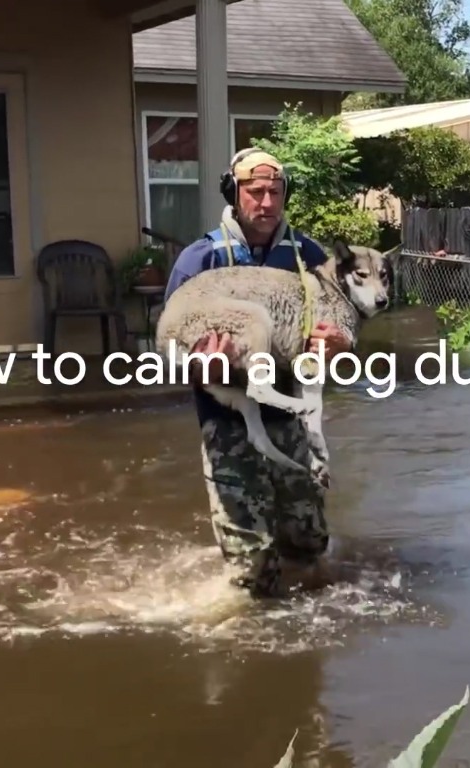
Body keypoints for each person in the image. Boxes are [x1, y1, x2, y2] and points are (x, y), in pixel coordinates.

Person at [163, 147, 352, 599]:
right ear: (234, 193)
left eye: (275, 191)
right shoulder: (199, 261)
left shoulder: (309, 257)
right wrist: (200, 364)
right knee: (253, 573)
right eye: (255, 192)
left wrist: (340, 346)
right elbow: (167, 354)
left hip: (291, 426)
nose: (266, 202)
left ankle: (303, 657)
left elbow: (337, 352)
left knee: (309, 547)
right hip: (228, 425)